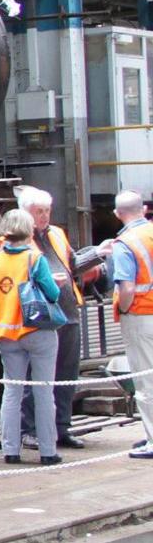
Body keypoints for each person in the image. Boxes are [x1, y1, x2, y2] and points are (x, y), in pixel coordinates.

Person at [0, 208, 62, 464]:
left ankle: (10, 450)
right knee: (43, 392)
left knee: (12, 392)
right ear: (29, 231)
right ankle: (47, 452)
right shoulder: (34, 259)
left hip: (8, 334)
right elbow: (52, 294)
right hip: (37, 330)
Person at [17, 188, 88, 450]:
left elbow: (72, 264)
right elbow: (14, 278)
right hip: (41, 317)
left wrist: (97, 255)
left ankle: (61, 428)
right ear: (26, 213)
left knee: (67, 373)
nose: (44, 216)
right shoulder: (17, 239)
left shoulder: (57, 233)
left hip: (68, 313)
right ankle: (30, 430)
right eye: (39, 211)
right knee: (36, 375)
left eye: (47, 210)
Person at [109, 191, 153, 459]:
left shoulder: (125, 243)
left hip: (141, 316)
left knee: (146, 380)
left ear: (117, 214)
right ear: (145, 209)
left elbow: (126, 288)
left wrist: (124, 308)